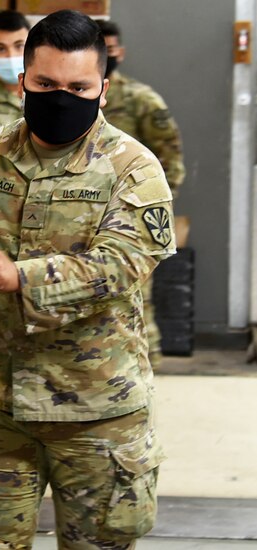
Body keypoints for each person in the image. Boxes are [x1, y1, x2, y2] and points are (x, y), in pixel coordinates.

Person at [0, 10, 174, 549]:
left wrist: (21, 276)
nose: (60, 98)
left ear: (102, 90)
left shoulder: (133, 167)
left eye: (78, 87)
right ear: (23, 82)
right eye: (46, 84)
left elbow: (123, 264)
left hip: (96, 414)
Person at [97, 18, 186, 371]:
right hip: (79, 212)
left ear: (121, 52)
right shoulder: (70, 93)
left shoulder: (140, 99)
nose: (110, 53)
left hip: (128, 218)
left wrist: (152, 208)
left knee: (136, 296)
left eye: (112, 47)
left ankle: (146, 367)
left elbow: (171, 157)